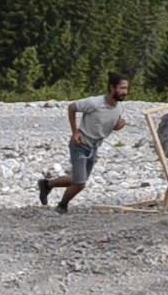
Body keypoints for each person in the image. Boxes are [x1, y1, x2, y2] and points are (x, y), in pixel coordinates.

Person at [37, 72, 130, 213]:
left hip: (94, 148)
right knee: (80, 183)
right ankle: (62, 206)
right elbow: (72, 107)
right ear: (112, 88)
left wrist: (118, 126)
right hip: (80, 145)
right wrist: (75, 132)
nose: (125, 92)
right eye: (122, 88)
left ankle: (47, 185)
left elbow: (109, 125)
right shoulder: (94, 103)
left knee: (78, 179)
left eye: (126, 88)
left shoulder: (119, 107)